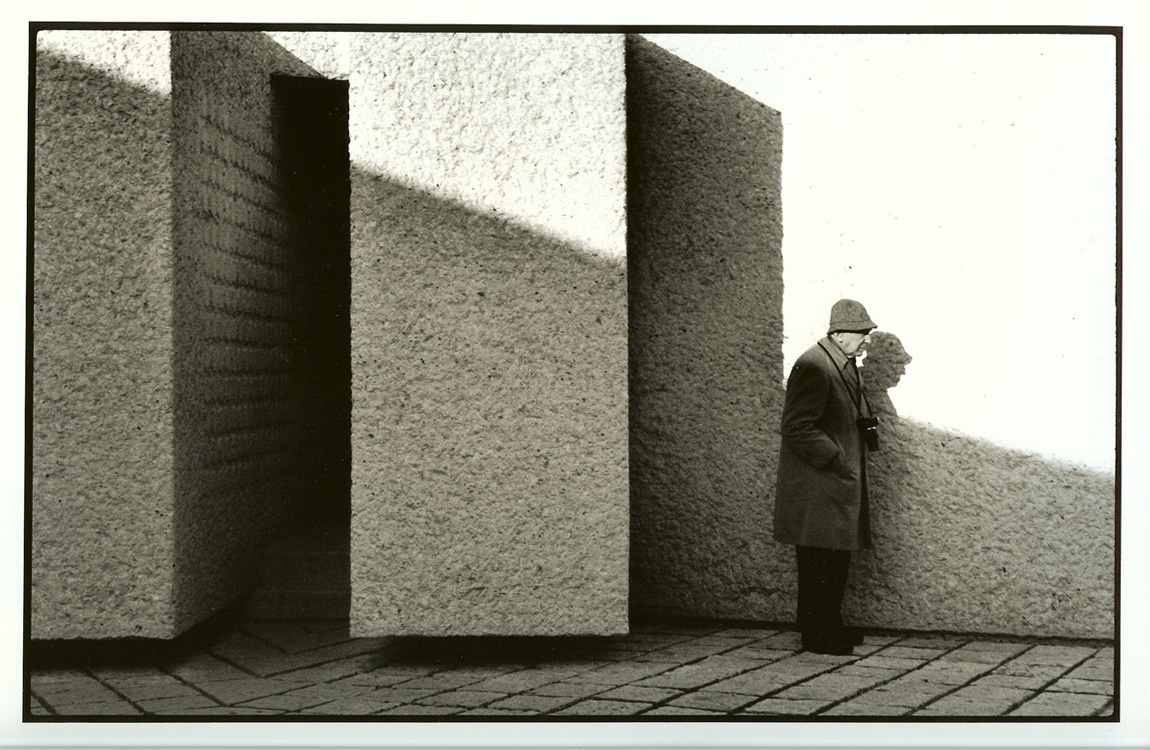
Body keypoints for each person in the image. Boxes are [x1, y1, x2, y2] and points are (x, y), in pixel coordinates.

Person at [773, 299, 878, 655]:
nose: (866, 341)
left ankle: (828, 625)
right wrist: (836, 458)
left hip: (832, 483)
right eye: (862, 334)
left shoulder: (839, 362)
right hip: (820, 484)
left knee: (833, 559)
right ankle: (817, 635)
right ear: (838, 334)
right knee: (820, 561)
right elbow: (796, 426)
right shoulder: (814, 365)